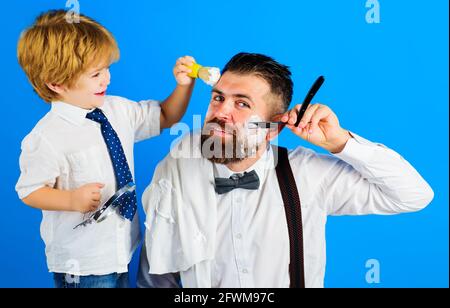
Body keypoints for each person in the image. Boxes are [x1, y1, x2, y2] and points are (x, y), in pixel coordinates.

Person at [139, 52, 434, 288]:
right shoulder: (178, 164)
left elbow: (413, 195)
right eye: (218, 98)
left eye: (241, 103)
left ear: (272, 128)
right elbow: (157, 268)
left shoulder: (307, 174)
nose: (221, 112)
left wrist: (341, 142)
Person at [15, 9, 197, 288]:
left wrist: (184, 86)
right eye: (96, 73)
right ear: (57, 83)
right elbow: (29, 191)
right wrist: (71, 200)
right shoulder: (47, 136)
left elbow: (165, 116)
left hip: (122, 248)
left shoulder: (116, 109)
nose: (107, 79)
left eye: (107, 68)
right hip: (83, 263)